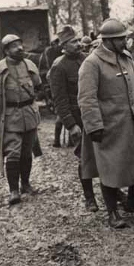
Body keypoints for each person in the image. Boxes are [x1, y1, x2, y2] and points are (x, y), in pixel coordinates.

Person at [78, 18, 134, 229]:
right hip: (109, 125)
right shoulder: (92, 63)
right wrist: (94, 126)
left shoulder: (127, 58)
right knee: (109, 167)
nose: (126, 42)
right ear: (110, 41)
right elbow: (87, 98)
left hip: (133, 121)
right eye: (122, 39)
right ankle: (112, 211)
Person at [0, 35, 43, 206]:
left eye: (20, 44)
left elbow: (38, 85)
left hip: (29, 114)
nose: (19, 48)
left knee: (26, 151)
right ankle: (13, 190)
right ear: (6, 50)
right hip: (10, 117)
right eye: (14, 46)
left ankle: (26, 184)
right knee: (13, 153)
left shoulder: (29, 65)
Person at [48, 25, 99, 212]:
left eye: (78, 40)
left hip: (93, 115)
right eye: (73, 42)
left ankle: (114, 193)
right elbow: (59, 100)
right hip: (78, 118)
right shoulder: (58, 66)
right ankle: (90, 198)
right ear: (64, 45)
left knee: (103, 154)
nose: (78, 44)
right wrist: (71, 125)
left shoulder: (87, 60)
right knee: (85, 158)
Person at [39, 36, 64, 146]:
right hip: (55, 85)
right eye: (55, 42)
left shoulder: (62, 52)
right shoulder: (48, 52)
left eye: (58, 42)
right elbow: (46, 71)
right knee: (60, 114)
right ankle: (57, 140)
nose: (57, 44)